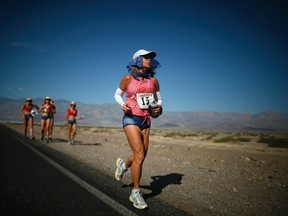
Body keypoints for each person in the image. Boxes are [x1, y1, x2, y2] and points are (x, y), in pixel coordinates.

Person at [114, 49, 163, 209]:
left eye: (151, 57)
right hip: (131, 118)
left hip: (146, 120)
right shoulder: (128, 78)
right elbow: (117, 94)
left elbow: (159, 99)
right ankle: (136, 192)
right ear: (137, 60)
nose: (149, 59)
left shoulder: (153, 81)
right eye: (146, 57)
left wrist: (158, 109)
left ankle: (123, 166)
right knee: (140, 155)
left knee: (140, 155)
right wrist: (123, 104)